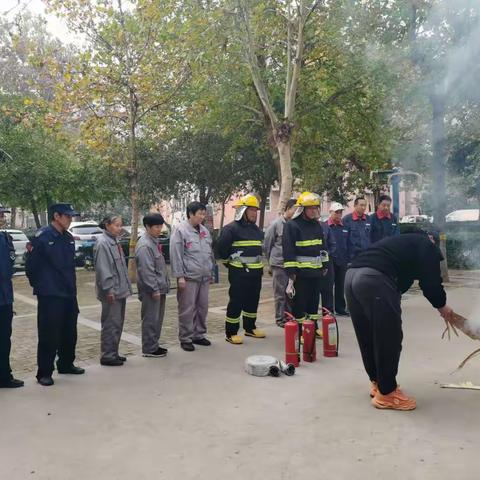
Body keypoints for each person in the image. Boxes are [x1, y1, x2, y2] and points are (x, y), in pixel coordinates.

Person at [345, 230, 455, 411]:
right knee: (389, 336)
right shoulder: (427, 245)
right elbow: (430, 282)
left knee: (368, 334)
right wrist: (442, 306)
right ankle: (387, 394)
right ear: (431, 239)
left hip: (351, 276)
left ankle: (378, 382)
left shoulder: (398, 242)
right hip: (373, 279)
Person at [26, 203, 85, 386]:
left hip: (68, 292)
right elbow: (31, 268)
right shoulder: (42, 237)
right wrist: (42, 286)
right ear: (57, 216)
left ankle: (66, 364)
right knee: (49, 334)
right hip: (50, 294)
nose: (70, 219)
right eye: (67, 216)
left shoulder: (68, 238)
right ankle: (44, 372)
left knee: (69, 332)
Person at [217, 194, 265, 344]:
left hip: (256, 272)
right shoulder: (230, 229)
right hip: (239, 273)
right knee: (236, 301)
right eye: (251, 210)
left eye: (256, 210)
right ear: (243, 210)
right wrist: (228, 263)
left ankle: (250, 328)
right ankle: (231, 332)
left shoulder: (256, 230)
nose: (254, 213)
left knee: (253, 300)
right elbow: (221, 249)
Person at [170, 202, 215, 351]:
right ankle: (186, 337)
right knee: (187, 308)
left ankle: (199, 334)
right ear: (190, 214)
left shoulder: (205, 231)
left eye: (204, 214)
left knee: (202, 307)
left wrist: (211, 272)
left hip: (204, 276)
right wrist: (179, 276)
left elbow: (210, 253)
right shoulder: (180, 230)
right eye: (199, 214)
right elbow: (176, 255)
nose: (202, 217)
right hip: (188, 277)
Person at [282, 192, 328, 338]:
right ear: (302, 209)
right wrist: (291, 272)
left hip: (316, 272)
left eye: (316, 208)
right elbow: (288, 250)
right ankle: (300, 331)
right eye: (311, 208)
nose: (314, 210)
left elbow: (323, 246)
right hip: (300, 274)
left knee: (314, 302)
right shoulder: (292, 226)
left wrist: (325, 264)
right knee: (300, 303)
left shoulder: (317, 225)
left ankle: (312, 328)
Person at [94, 215, 132, 366]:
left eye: (120, 225)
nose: (119, 228)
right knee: (110, 323)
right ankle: (107, 355)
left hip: (119, 289)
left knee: (117, 323)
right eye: (116, 225)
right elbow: (104, 270)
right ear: (107, 225)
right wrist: (109, 290)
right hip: (112, 291)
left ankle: (113, 351)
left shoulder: (114, 241)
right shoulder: (103, 243)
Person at [135, 213, 170, 357]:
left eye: (161, 226)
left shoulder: (153, 242)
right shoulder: (145, 245)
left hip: (158, 288)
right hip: (151, 290)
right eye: (156, 226)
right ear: (147, 227)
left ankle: (154, 344)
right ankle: (149, 348)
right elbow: (146, 270)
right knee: (150, 319)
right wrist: (154, 288)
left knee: (157, 319)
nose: (159, 229)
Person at [263, 199, 297, 327]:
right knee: (280, 293)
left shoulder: (294, 225)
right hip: (279, 264)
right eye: (294, 209)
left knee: (290, 293)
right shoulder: (276, 224)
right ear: (287, 209)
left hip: (292, 265)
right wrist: (270, 263)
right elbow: (267, 244)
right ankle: (280, 318)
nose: (295, 212)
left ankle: (289, 316)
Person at [0, 206, 23, 388]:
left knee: (4, 338)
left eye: (2, 215)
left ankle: (4, 375)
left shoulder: (4, 237)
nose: (2, 218)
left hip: (5, 298)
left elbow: (8, 270)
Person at [325, 202, 349, 316]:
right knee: (328, 286)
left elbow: (348, 242)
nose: (339, 215)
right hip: (330, 260)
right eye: (336, 212)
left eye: (340, 212)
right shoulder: (325, 226)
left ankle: (340, 308)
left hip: (342, 260)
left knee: (341, 285)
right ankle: (328, 310)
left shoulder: (344, 226)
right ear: (330, 213)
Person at [343, 196, 371, 262]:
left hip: (366, 256)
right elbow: (344, 240)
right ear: (355, 205)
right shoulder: (347, 220)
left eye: (365, 205)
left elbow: (371, 237)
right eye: (361, 205)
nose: (363, 207)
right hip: (352, 258)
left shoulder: (368, 219)